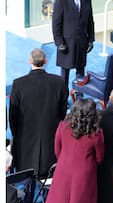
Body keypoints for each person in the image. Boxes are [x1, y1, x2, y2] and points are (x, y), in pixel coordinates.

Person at [9, 48, 68, 177]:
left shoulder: (19, 84)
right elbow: (63, 110)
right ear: (45, 61)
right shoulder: (58, 82)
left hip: (25, 135)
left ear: (30, 61)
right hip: (50, 133)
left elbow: (13, 114)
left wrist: (16, 133)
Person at [44, 98, 104, 203]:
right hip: (85, 173)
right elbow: (99, 158)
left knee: (59, 201)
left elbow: (57, 150)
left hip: (64, 168)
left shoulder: (63, 126)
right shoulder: (97, 134)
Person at [52, 0, 95, 89]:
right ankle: (63, 100)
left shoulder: (87, 1)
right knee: (64, 75)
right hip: (66, 45)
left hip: (82, 43)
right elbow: (56, 23)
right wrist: (59, 42)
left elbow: (90, 21)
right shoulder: (61, 1)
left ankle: (79, 98)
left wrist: (91, 39)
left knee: (80, 73)